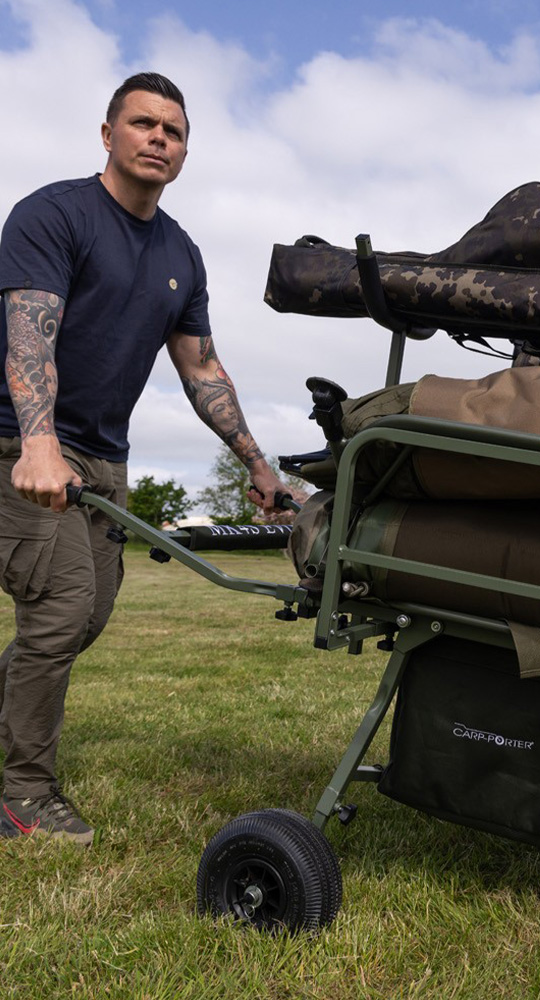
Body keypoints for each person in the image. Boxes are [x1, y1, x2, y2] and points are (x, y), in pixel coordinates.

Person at [0, 72, 286, 845]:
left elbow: (201, 369)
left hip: (104, 459)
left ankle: (5, 728)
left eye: (175, 131)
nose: (160, 138)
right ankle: (22, 797)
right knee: (57, 613)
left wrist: (257, 463)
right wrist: (37, 442)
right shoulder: (53, 215)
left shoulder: (180, 253)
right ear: (108, 134)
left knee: (86, 618)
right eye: (144, 124)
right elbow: (31, 338)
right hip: (23, 447)